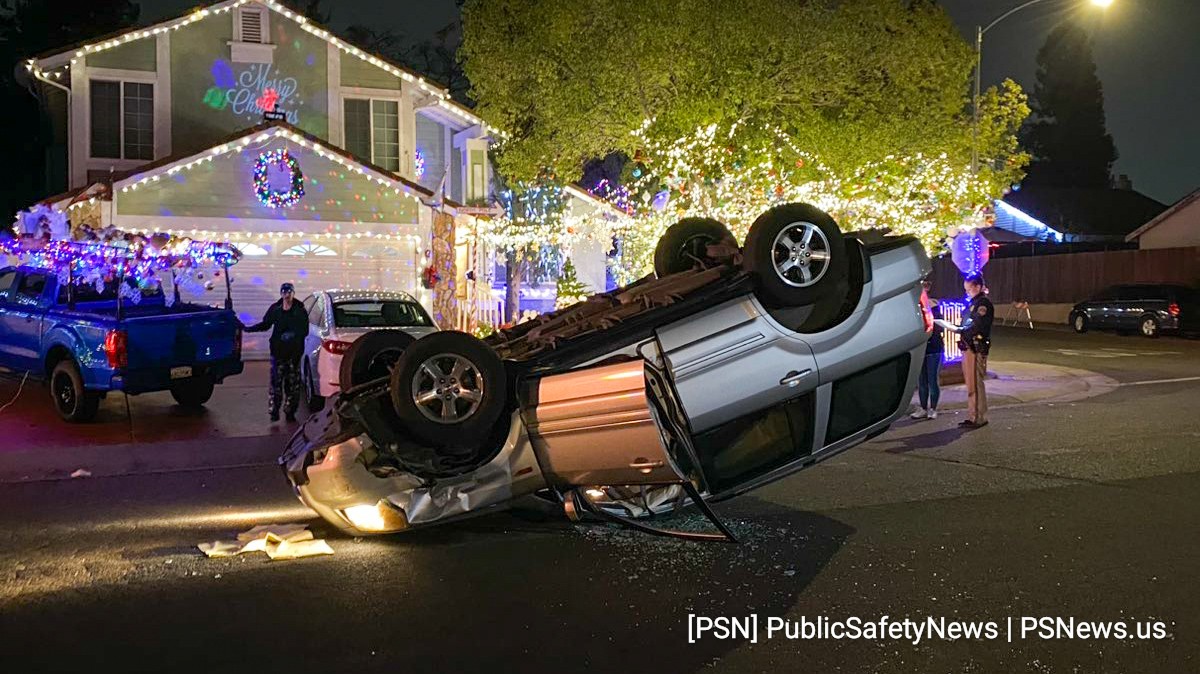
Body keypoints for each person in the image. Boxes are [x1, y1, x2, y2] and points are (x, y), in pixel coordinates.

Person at [245, 282, 309, 422]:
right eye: (284, 292)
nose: (287, 295)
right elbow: (266, 324)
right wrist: (249, 329)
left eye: (289, 292)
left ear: (293, 293)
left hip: (293, 354)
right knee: (276, 382)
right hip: (278, 353)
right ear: (281, 293)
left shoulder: (299, 310)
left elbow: (304, 330)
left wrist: (292, 335)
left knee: (292, 384)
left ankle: (290, 410)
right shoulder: (275, 309)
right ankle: (274, 411)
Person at [953, 273, 993, 429]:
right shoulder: (974, 302)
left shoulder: (983, 304)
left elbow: (978, 325)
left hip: (976, 347)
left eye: (969, 289)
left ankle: (978, 417)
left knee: (975, 384)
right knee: (971, 383)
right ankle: (973, 414)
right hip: (969, 346)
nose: (967, 292)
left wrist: (962, 331)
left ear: (977, 286)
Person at [911, 280, 944, 420]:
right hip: (921, 348)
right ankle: (923, 408)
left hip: (934, 348)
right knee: (922, 381)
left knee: (932, 379)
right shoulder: (915, 307)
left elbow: (939, 327)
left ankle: (933, 408)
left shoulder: (934, 306)